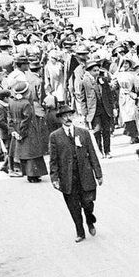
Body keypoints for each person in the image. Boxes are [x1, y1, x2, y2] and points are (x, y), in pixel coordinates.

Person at [48, 103, 103, 243]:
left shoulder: (83, 133)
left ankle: (89, 220)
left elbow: (92, 154)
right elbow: (53, 160)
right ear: (60, 119)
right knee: (73, 206)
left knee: (88, 203)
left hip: (85, 175)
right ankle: (80, 231)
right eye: (64, 116)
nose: (67, 118)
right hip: (68, 177)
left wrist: (98, 174)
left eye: (69, 115)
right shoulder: (55, 136)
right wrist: (54, 178)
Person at [7, 77, 50, 183]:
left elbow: (9, 117)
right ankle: (33, 175)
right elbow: (27, 118)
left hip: (16, 127)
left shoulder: (11, 101)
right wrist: (22, 132)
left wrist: (13, 130)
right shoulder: (26, 103)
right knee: (32, 152)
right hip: (28, 129)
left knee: (24, 152)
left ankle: (27, 173)